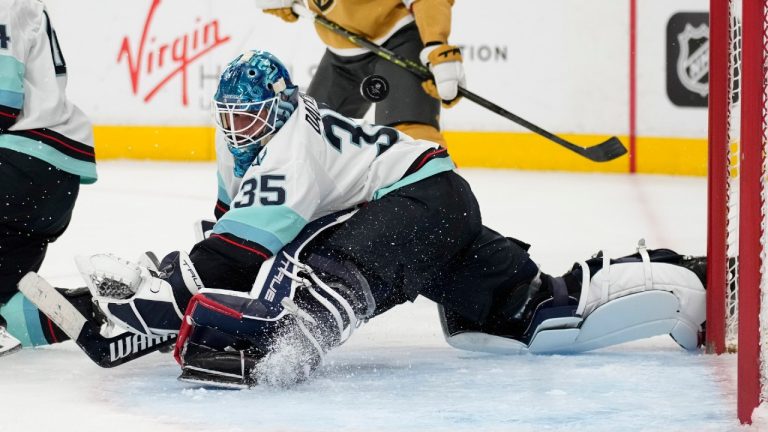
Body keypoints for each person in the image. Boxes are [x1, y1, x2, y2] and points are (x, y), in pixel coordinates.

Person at [23, 51, 706, 387]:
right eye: (229, 118)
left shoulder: (291, 139)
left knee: (315, 282)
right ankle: (693, 282)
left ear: (281, 106)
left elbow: (236, 252)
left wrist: (149, 288)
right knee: (530, 315)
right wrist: (114, 307)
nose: (239, 129)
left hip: (422, 206)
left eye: (250, 116)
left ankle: (296, 341)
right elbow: (229, 248)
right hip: (432, 211)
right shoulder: (251, 141)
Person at [0, 0, 98, 356]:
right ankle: (96, 311)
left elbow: (3, 101)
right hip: (44, 179)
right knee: (5, 302)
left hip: (23, 166)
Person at [254, 0, 463, 147]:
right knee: (308, 137)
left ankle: (438, 203)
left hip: (398, 42)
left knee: (411, 141)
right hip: (340, 54)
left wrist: (436, 43)